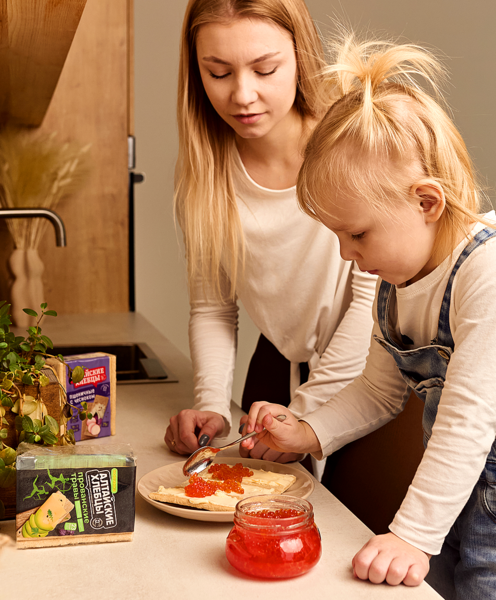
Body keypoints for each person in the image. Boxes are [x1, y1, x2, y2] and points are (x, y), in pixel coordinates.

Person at [241, 32, 496, 598]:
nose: (344, 253)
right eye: (336, 234)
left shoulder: (485, 274)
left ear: (426, 202)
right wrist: (309, 433)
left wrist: (410, 534)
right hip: (456, 490)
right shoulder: (395, 281)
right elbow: (379, 390)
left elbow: (469, 419)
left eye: (356, 233)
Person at [164, 0, 377, 473]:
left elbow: (370, 310)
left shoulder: (350, 142)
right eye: (218, 73)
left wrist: (303, 417)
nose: (242, 95)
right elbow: (213, 308)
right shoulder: (206, 175)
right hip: (279, 369)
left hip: (373, 376)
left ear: (300, 55)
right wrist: (213, 406)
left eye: (265, 69)